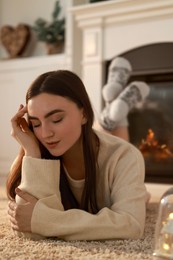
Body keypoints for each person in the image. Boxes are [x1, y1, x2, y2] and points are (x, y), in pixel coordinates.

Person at [7, 70, 147, 241]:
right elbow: (28, 230)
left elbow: (131, 225)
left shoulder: (124, 155)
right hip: (90, 139)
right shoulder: (34, 151)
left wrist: (45, 220)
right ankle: (115, 110)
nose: (45, 134)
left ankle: (115, 113)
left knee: (115, 145)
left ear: (84, 114)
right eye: (36, 123)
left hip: (109, 149)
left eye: (56, 119)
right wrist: (33, 153)